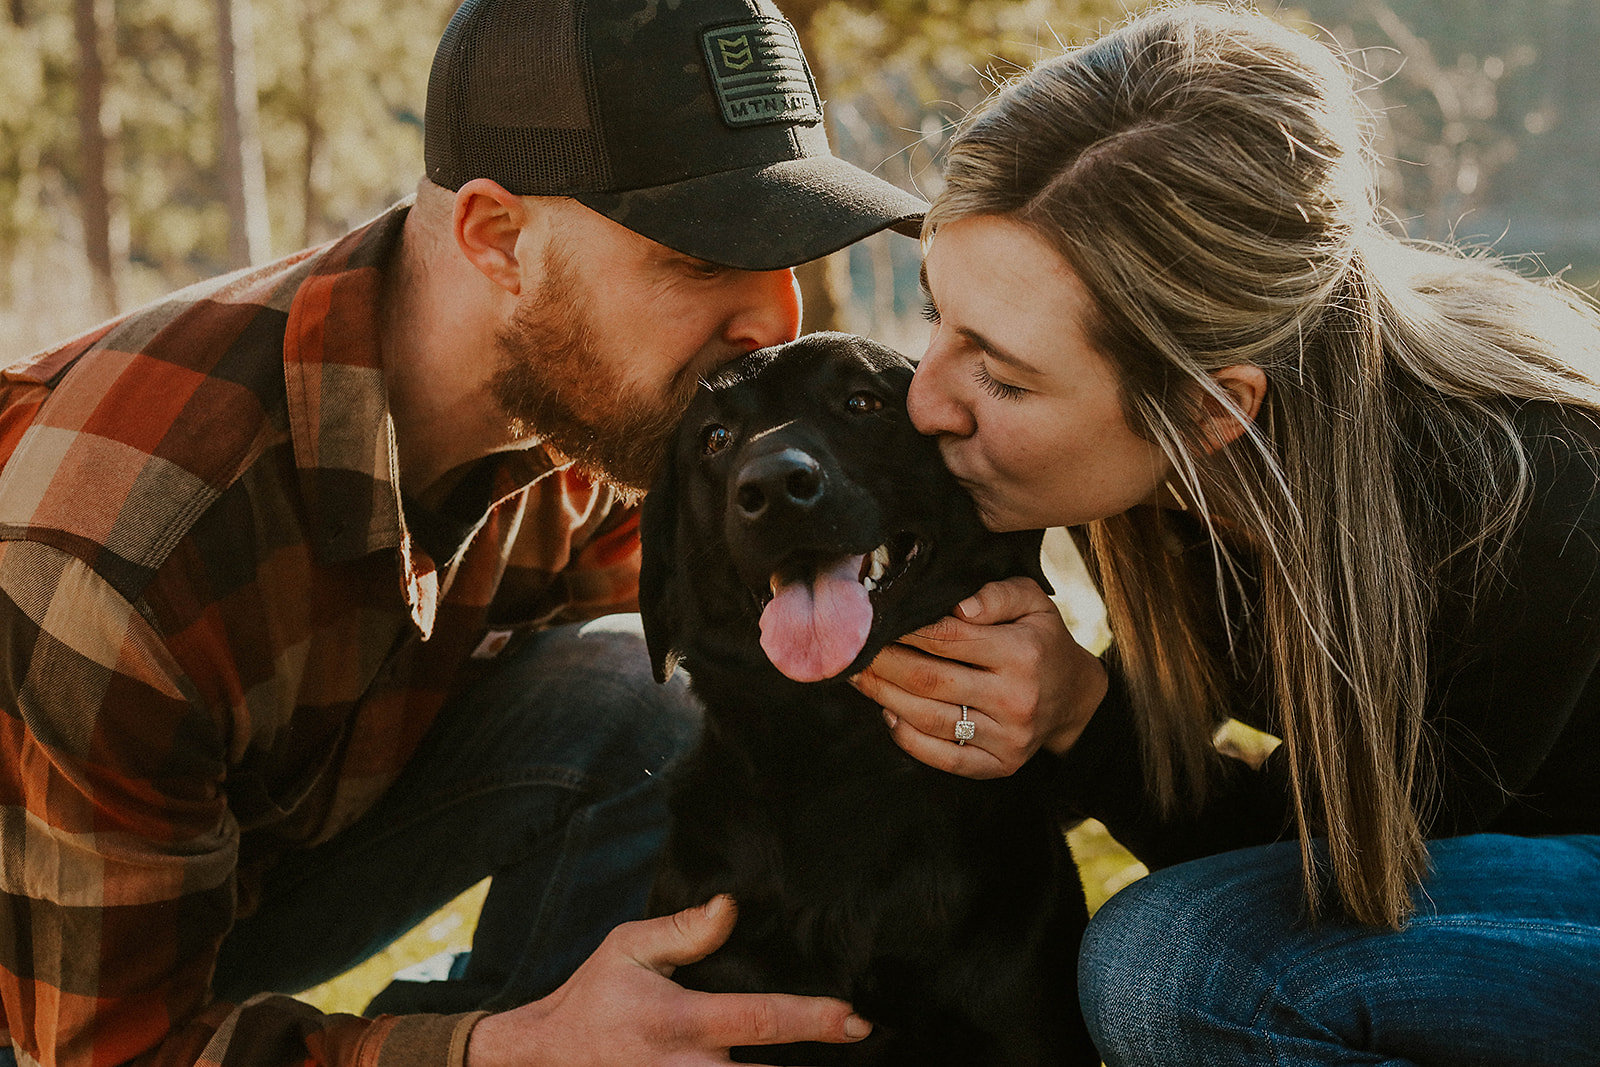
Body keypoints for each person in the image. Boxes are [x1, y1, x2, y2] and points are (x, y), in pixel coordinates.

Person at [0, 0, 925, 1063]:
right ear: (498, 237)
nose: (779, 317)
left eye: (790, 252)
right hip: (46, 987)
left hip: (235, 879)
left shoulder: (591, 398)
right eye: (700, 257)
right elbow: (106, 1050)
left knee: (653, 691)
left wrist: (981, 685)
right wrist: (494, 1050)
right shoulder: (126, 538)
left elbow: (739, 661)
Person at [852, 5, 1600, 1064]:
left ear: (1213, 407)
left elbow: (1349, 878)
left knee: (1180, 963)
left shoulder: (1524, 501)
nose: (926, 400)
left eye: (1004, 375)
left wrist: (1081, 718)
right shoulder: (1166, 479)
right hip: (1470, 864)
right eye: (936, 317)